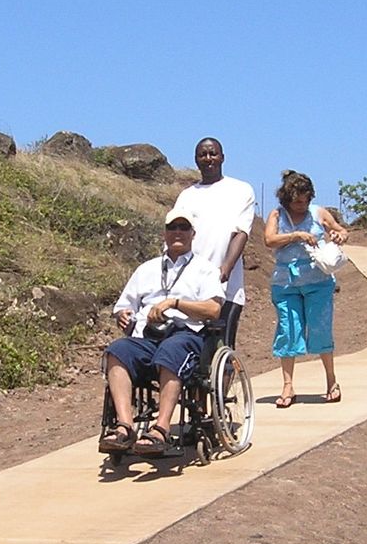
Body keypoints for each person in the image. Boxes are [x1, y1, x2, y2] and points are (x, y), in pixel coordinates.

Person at [100, 214, 225, 454]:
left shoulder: (205, 269)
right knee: (117, 350)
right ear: (164, 233)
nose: (178, 232)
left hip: (186, 334)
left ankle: (161, 429)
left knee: (172, 350)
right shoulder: (146, 269)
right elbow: (123, 306)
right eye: (172, 227)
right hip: (146, 336)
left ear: (193, 234)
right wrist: (122, 315)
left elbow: (213, 309)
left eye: (183, 227)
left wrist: (176, 303)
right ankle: (125, 426)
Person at [261, 169, 349, 407]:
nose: (301, 205)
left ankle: (331, 381)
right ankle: (288, 386)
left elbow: (340, 230)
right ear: (286, 198)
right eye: (296, 201)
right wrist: (296, 236)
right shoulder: (277, 215)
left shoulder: (319, 212)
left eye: (305, 200)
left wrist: (340, 236)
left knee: (320, 329)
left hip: (318, 280)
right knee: (288, 330)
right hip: (285, 282)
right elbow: (269, 240)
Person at [167, 137, 257, 346]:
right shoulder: (187, 196)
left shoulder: (241, 190)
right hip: (190, 287)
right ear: (196, 160)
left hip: (226, 287)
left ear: (222, 157)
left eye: (213, 153)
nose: (208, 158)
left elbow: (241, 232)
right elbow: (175, 237)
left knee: (222, 348)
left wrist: (225, 269)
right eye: (202, 155)